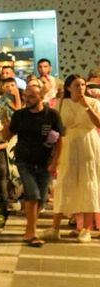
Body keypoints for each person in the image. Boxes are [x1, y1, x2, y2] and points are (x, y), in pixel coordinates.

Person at [7, 82, 62, 245]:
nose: (27, 99)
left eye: (31, 96)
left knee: (42, 199)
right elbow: (7, 136)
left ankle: (29, 229)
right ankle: (31, 233)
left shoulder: (52, 115)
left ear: (41, 97)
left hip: (45, 161)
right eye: (26, 96)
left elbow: (59, 140)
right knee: (32, 194)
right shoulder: (20, 115)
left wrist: (55, 162)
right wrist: (5, 125)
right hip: (24, 160)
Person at [51, 74, 100, 242]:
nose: (81, 88)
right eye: (77, 85)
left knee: (88, 183)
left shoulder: (93, 102)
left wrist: (86, 106)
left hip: (88, 143)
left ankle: (86, 229)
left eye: (83, 85)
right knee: (64, 183)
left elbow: (98, 123)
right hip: (67, 144)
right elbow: (55, 128)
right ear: (68, 87)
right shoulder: (60, 104)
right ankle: (55, 228)